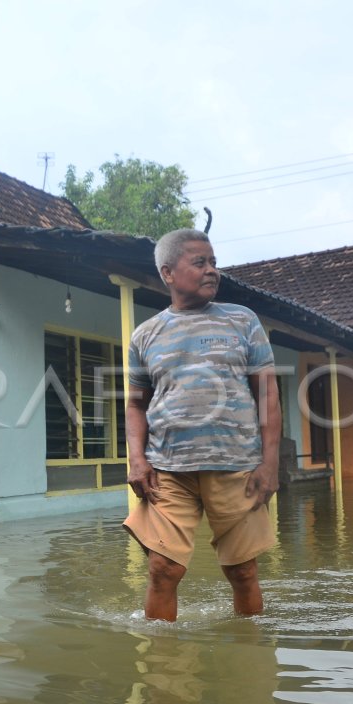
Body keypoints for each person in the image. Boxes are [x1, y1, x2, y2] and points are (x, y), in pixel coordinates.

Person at [124, 228, 280, 621]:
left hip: (237, 466)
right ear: (168, 273)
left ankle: (249, 661)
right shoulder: (145, 335)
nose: (212, 271)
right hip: (168, 471)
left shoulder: (242, 322)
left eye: (214, 262)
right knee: (163, 571)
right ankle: (164, 672)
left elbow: (268, 396)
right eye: (200, 263)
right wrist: (137, 461)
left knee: (242, 571)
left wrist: (270, 465)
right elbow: (136, 405)